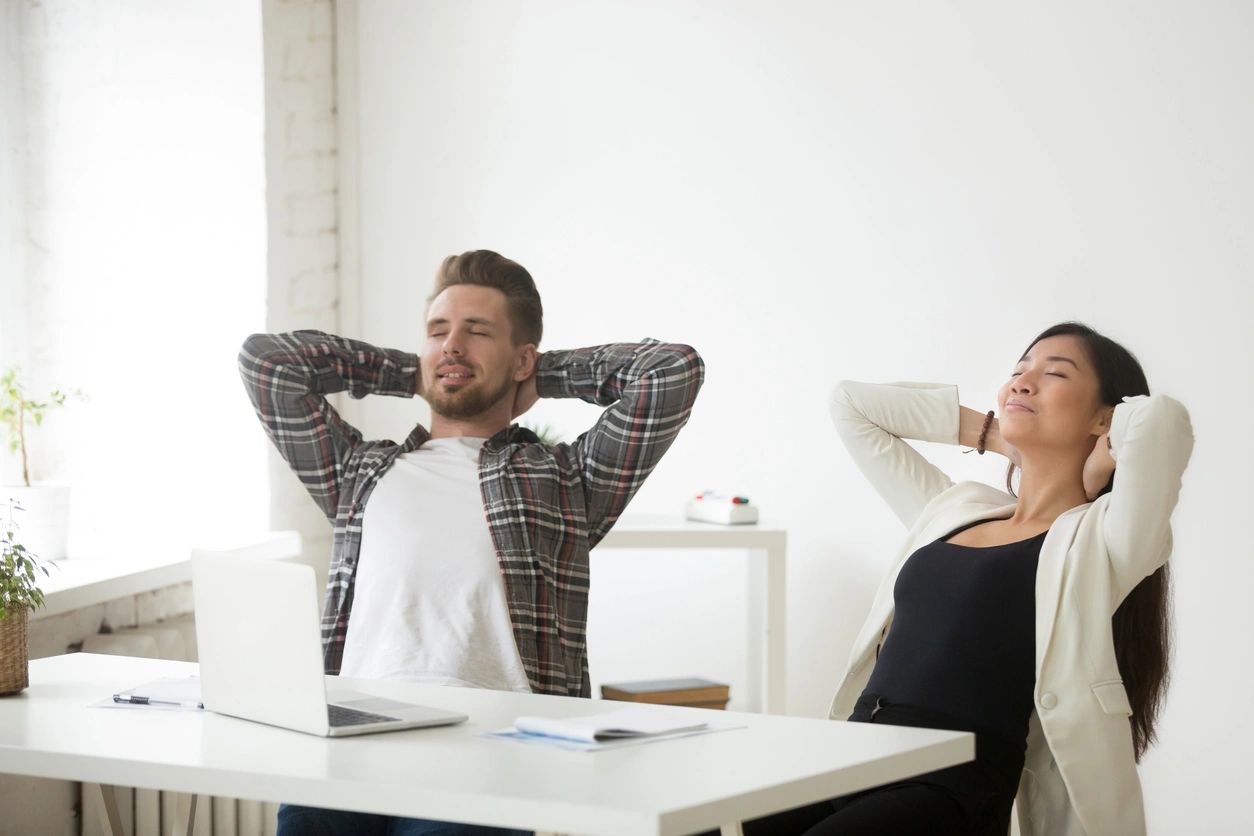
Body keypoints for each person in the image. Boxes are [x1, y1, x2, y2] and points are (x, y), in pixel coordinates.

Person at [238, 250, 704, 836]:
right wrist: (415, 368)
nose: (452, 344)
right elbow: (268, 363)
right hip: (345, 742)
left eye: (477, 331)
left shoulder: (565, 481)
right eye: (438, 331)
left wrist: (533, 372)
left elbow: (670, 371)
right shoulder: (359, 472)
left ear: (521, 357)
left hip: (488, 754)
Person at [744, 322, 1192, 836]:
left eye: (1055, 374)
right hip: (853, 760)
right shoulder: (955, 509)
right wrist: (1001, 437)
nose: (1023, 383)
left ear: (1104, 417)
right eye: (1018, 372)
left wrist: (1091, 472)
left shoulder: (1102, 542)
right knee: (702, 822)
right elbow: (851, 405)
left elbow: (1162, 421)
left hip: (947, 789)